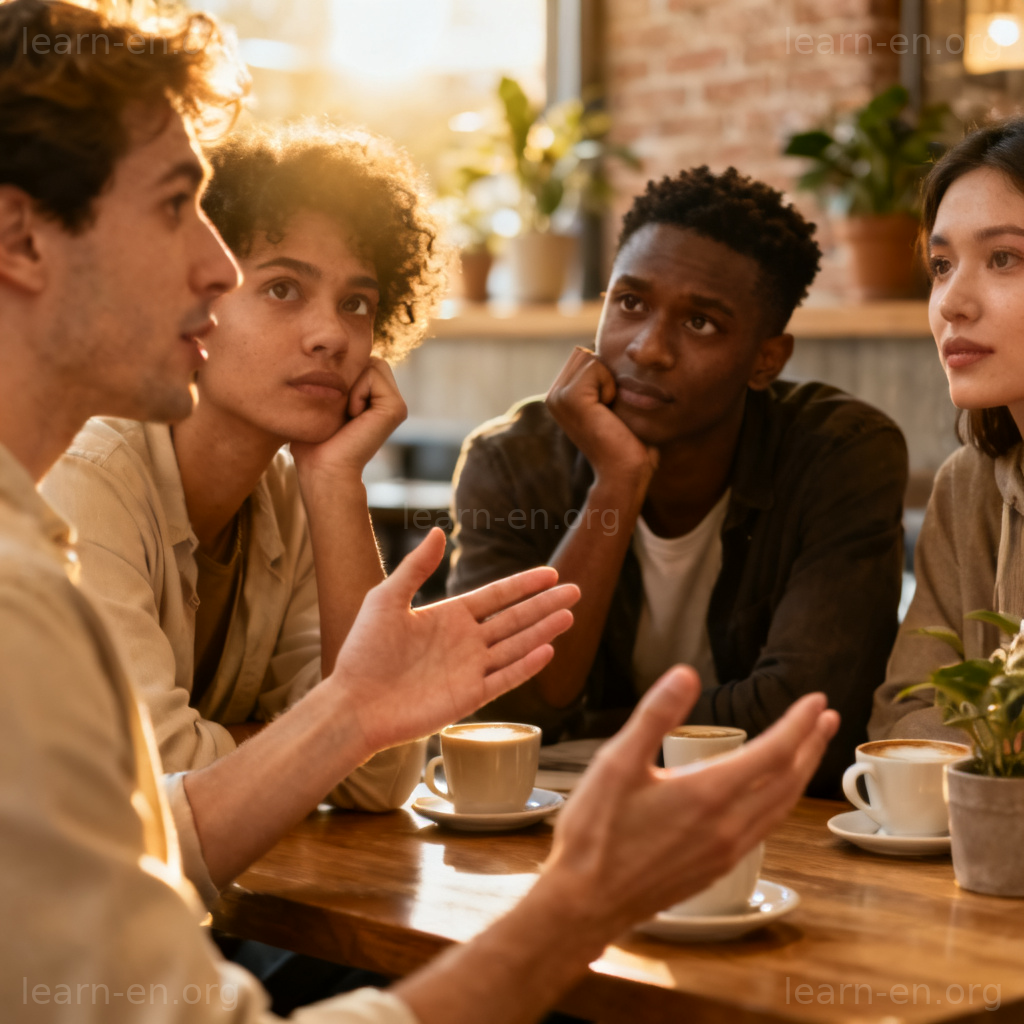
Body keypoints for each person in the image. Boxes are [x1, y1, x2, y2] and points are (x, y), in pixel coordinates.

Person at [1, 3, 839, 1022]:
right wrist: (577, 903)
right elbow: (181, 818)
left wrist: (335, 707)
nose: (213, 267)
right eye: (180, 206)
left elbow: (343, 779)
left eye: (356, 302)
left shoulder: (225, 501)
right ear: (20, 238)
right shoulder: (26, 584)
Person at [448, 166, 908, 797]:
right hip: (548, 835)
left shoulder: (840, 456)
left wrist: (591, 731)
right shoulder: (511, 465)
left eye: (700, 324)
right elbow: (503, 713)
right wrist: (616, 482)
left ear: (766, 360)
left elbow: (807, 714)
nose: (647, 349)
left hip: (772, 824)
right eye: (630, 303)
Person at [41, 120, 447, 811]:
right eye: (283, 289)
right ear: (191, 294)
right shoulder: (84, 476)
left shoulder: (291, 495)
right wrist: (315, 744)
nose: (332, 337)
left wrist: (334, 480)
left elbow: (375, 777)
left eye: (357, 304)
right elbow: (156, 777)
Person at [870, 118, 1024, 740]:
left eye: (1005, 258)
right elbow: (901, 724)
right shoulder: (970, 487)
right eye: (940, 265)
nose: (952, 302)